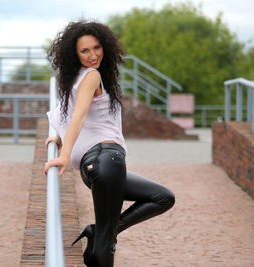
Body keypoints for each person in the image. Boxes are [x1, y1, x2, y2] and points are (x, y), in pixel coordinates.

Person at [44, 20, 175, 267]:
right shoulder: (91, 76)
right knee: (107, 245)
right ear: (75, 54)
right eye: (85, 51)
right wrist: (64, 153)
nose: (93, 55)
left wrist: (60, 138)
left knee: (162, 197)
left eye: (96, 47)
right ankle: (100, 233)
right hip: (106, 160)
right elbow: (79, 115)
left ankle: (97, 231)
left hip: (95, 166)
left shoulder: (76, 78)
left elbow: (74, 114)